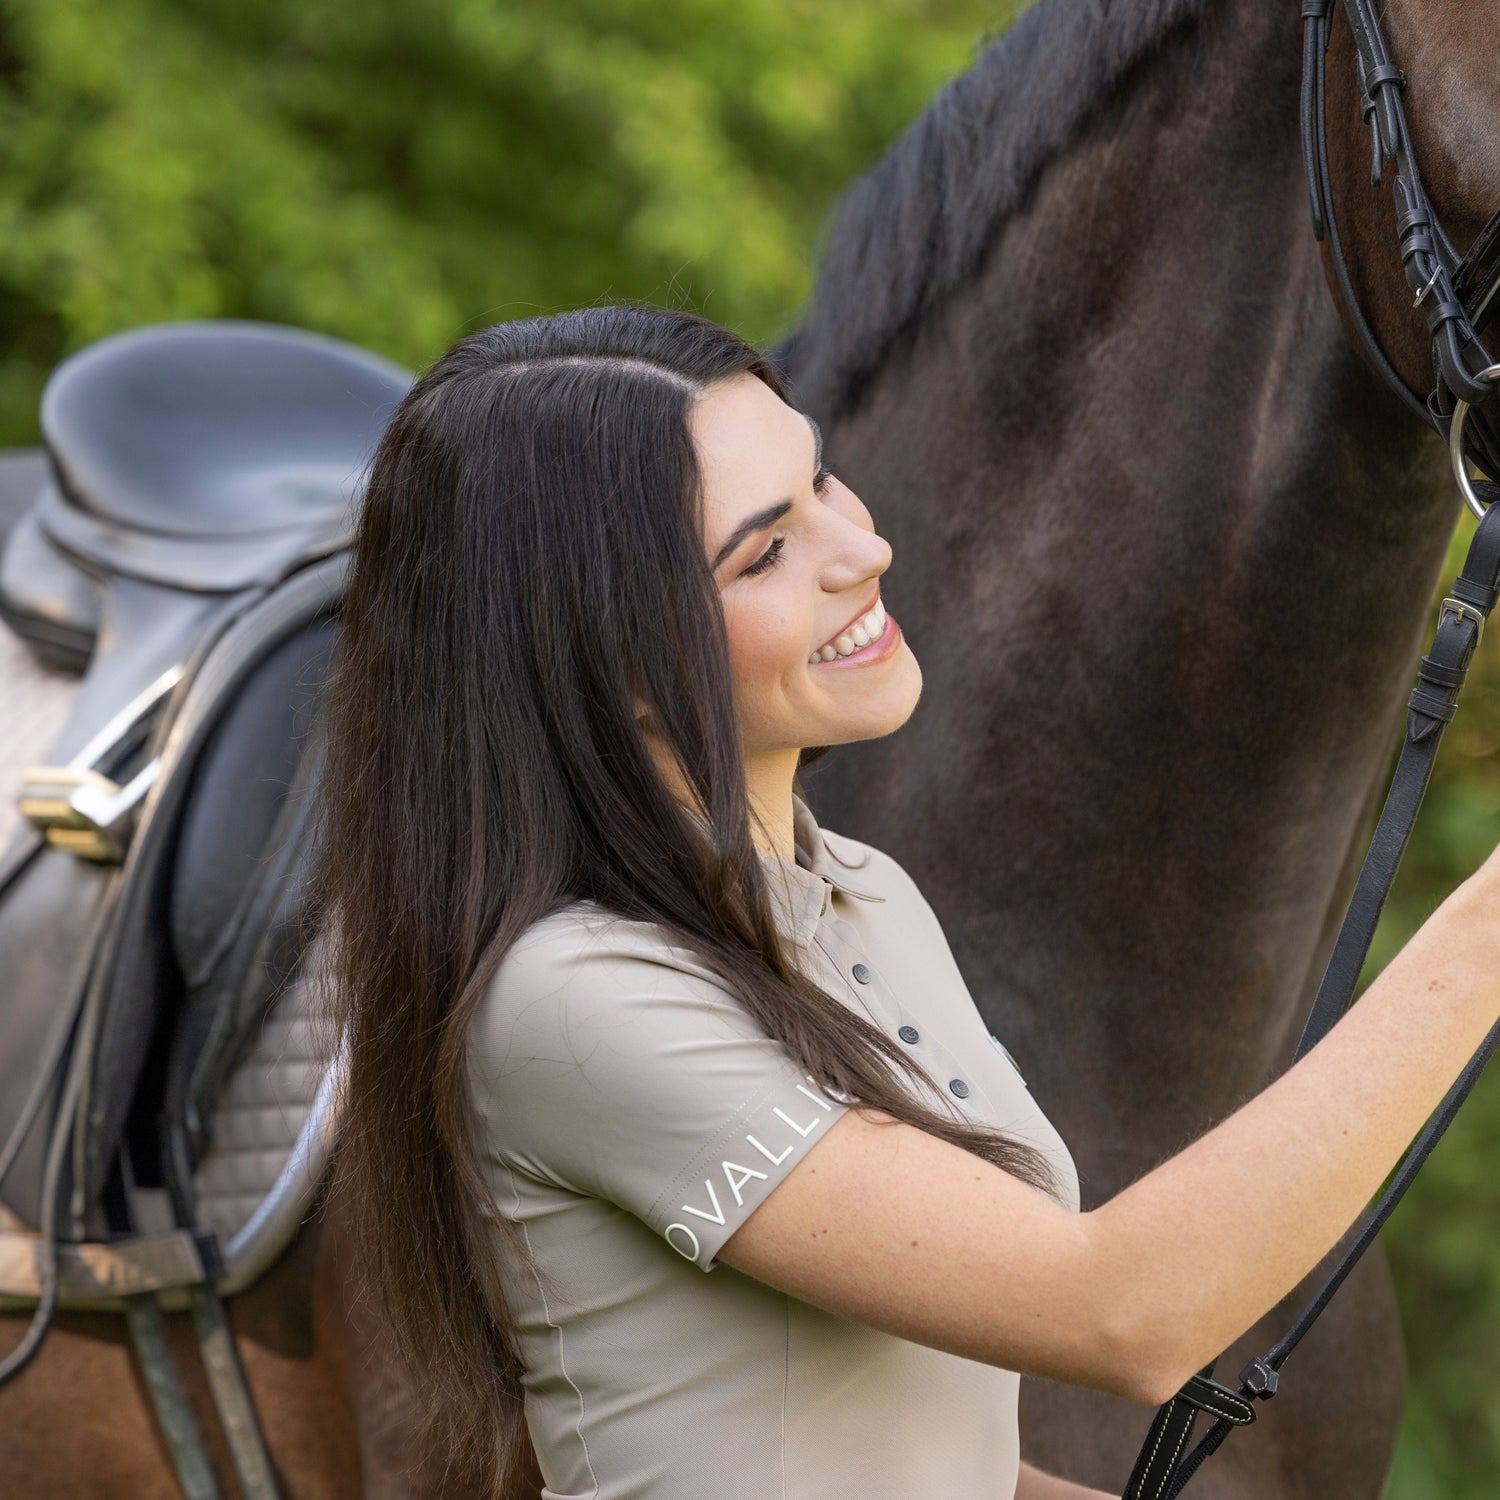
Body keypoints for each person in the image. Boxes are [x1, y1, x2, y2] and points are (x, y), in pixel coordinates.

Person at [308, 303, 1500, 1500]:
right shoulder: (575, 1000)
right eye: (764, 550)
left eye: (823, 479)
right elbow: (1125, 1314)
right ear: (600, 662)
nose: (860, 550)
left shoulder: (867, 893)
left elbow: (903, 1456)